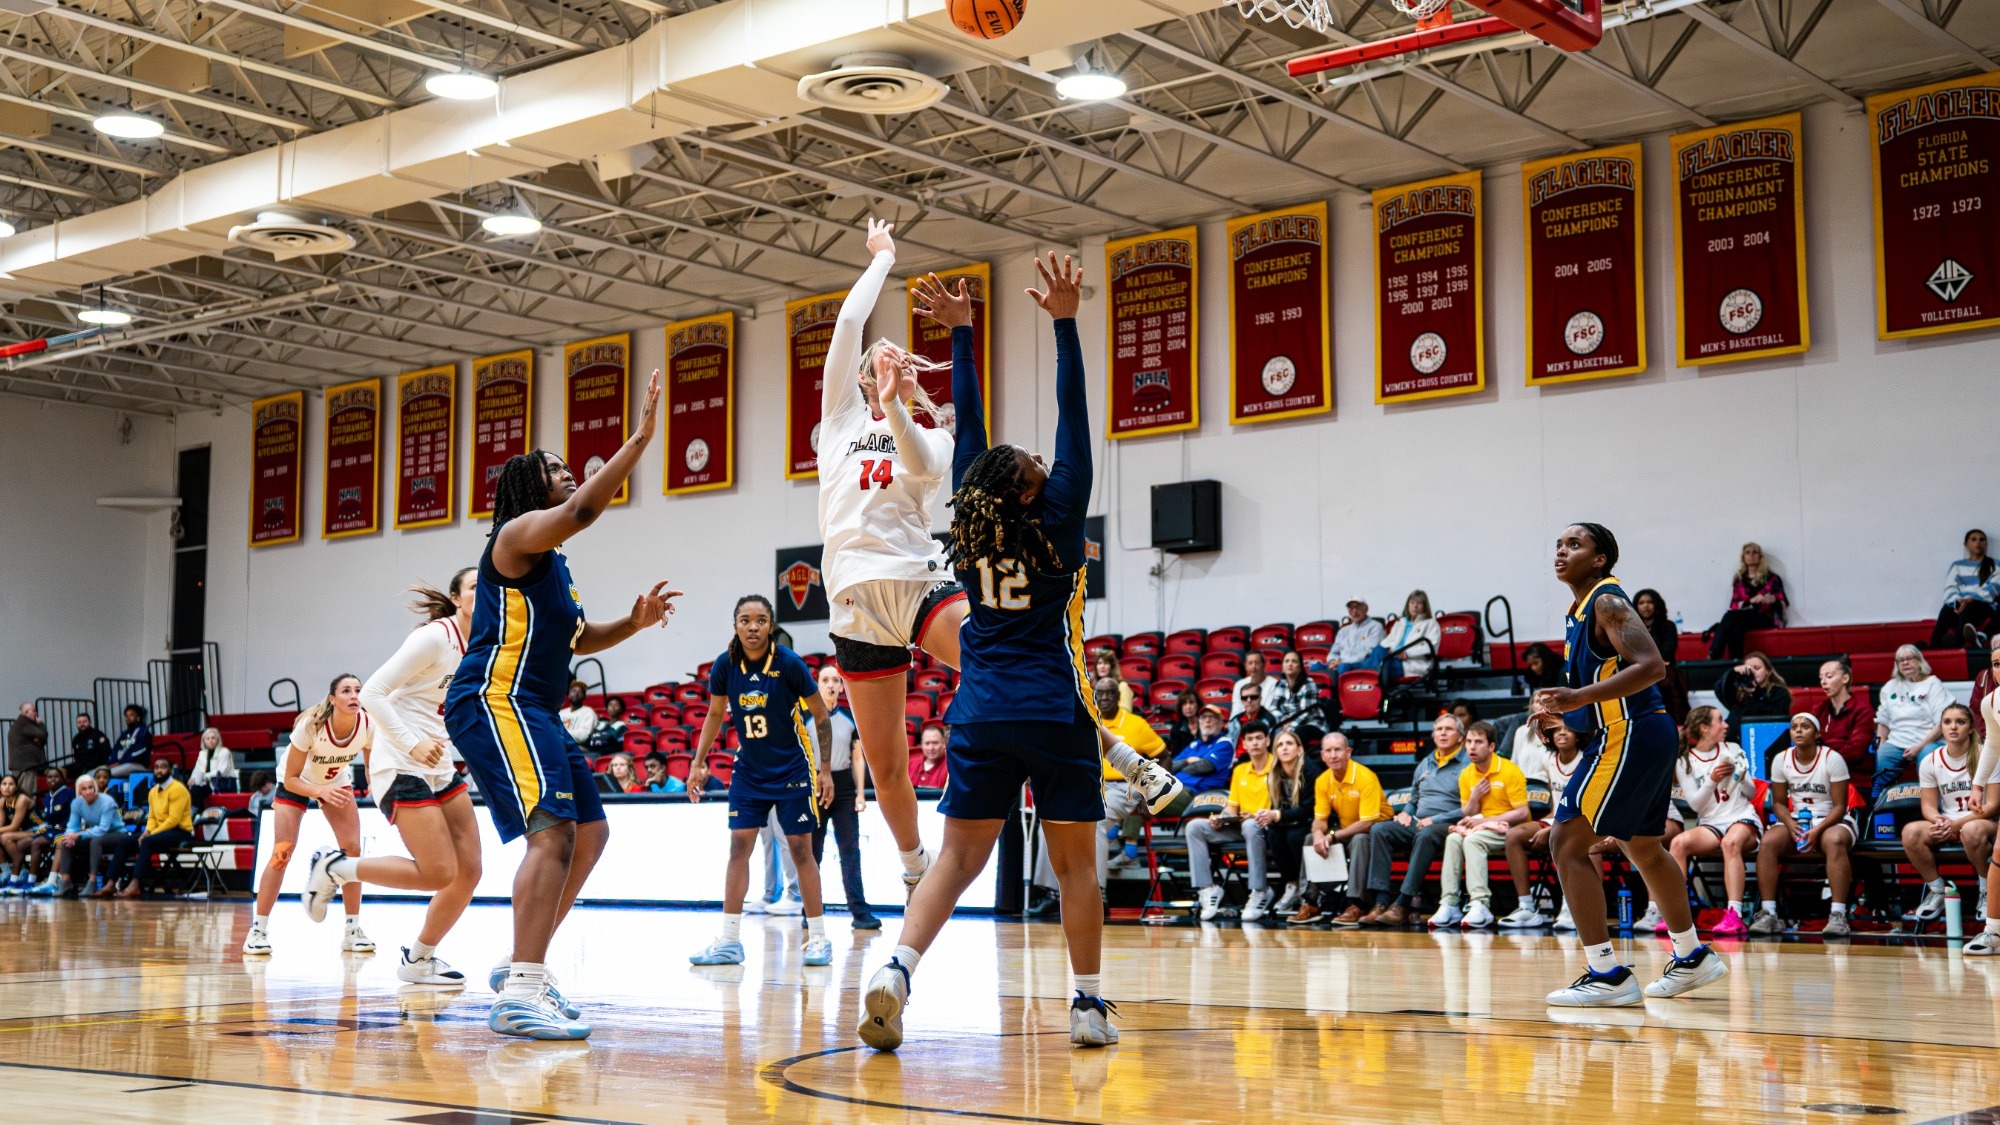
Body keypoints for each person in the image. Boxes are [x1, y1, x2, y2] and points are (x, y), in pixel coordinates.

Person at [858, 253, 1123, 1052]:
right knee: (1077, 865)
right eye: (1038, 462)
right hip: (1054, 706)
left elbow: (968, 428)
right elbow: (1073, 410)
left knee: (957, 858)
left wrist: (965, 337)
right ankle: (1084, 1005)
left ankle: (899, 968)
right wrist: (1067, 323)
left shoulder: (973, 525)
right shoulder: (1063, 512)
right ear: (1035, 488)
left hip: (980, 707)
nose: (1044, 457)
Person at [436, 368, 679, 1040]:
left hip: (534, 706)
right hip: (496, 698)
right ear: (526, 487)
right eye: (556, 467)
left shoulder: (556, 568)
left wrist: (635, 621)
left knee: (591, 833)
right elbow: (580, 512)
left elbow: (578, 637)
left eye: (571, 465)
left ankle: (526, 967)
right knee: (552, 832)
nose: (569, 471)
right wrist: (639, 438)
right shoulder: (514, 537)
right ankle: (520, 990)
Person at [813, 219, 968, 899]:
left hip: (915, 581)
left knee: (1010, 659)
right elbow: (849, 325)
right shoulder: (839, 425)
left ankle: (1112, 752)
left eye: (899, 356)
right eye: (880, 358)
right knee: (884, 765)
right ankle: (913, 868)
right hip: (852, 602)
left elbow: (909, 452)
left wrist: (899, 403)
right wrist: (883, 260)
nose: (885, 358)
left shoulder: (933, 436)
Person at [1534, 522, 1728, 1006]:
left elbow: (1652, 666)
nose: (1561, 551)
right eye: (1558, 544)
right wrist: (1565, 713)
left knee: (1565, 841)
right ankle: (1692, 957)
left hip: (1632, 733)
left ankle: (1607, 973)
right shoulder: (1579, 610)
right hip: (1639, 732)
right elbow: (1605, 684)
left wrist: (1577, 696)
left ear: (1600, 559)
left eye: (1575, 544)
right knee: (1642, 846)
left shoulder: (1608, 601)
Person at [314, 568, 486, 989]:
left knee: (471, 870)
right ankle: (337, 867)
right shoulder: (435, 637)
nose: (485, 594)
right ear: (457, 598)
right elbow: (371, 692)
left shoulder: (485, 643)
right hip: (399, 760)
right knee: (438, 873)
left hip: (438, 762)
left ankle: (419, 958)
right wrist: (411, 743)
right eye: (475, 587)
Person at [688, 594, 839, 968]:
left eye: (760, 620)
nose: (752, 626)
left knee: (801, 850)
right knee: (738, 848)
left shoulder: (788, 663)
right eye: (745, 620)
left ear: (770, 626)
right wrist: (697, 763)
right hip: (749, 770)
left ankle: (818, 937)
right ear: (735, 625)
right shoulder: (725, 665)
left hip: (791, 768)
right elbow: (714, 714)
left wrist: (824, 770)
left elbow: (820, 715)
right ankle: (728, 940)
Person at [245, 674, 376, 957]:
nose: (354, 695)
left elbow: (370, 767)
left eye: (358, 690)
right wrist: (319, 792)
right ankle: (258, 930)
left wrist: (377, 784)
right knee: (282, 852)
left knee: (352, 851)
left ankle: (352, 930)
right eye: (346, 690)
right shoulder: (311, 726)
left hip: (335, 783)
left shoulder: (367, 723)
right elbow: (291, 779)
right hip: (296, 783)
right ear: (333, 699)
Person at [1748, 713, 1855, 936]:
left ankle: (1838, 915)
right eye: (1794, 727)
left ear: (1817, 734)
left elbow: (1840, 806)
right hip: (1797, 819)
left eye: (1805, 727)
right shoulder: (1781, 759)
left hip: (1832, 818)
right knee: (1767, 842)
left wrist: (1818, 830)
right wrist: (1789, 823)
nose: (1798, 730)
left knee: (1834, 840)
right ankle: (1769, 914)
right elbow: (1778, 803)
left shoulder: (1832, 758)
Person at [1355, 714, 1467, 925]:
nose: (1443, 733)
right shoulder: (1425, 763)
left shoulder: (1468, 763)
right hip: (1419, 821)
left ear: (1461, 737)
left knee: (1426, 833)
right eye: (1439, 729)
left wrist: (1434, 820)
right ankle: (1380, 901)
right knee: (1380, 830)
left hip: (1449, 824)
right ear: (1433, 735)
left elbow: (1468, 808)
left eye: (1449, 729)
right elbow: (1414, 799)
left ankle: (1403, 903)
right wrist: (1406, 812)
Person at [1664, 706, 1759, 936]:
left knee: (1730, 843)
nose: (1726, 725)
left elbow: (1752, 791)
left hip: (1741, 817)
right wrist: (1712, 779)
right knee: (1678, 844)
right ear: (1705, 728)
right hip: (1711, 823)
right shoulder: (1685, 761)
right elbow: (1696, 805)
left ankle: (1734, 914)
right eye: (1720, 721)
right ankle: (1678, 915)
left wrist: (1740, 775)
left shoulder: (1733, 748)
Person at [1429, 721, 1529, 929]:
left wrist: (1483, 822)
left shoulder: (1510, 771)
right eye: (1469, 742)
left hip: (1510, 829)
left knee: (1473, 840)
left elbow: (1522, 813)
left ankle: (1480, 904)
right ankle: (1449, 903)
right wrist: (1474, 798)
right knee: (1454, 838)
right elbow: (1469, 812)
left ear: (1491, 746)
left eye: (1479, 742)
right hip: (1482, 827)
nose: (1472, 747)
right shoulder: (1466, 774)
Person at [1289, 732, 1389, 925]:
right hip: (1347, 830)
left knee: (1359, 838)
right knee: (1311, 838)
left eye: (1338, 750)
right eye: (1328, 751)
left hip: (1376, 832)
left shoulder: (1365, 777)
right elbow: (1320, 820)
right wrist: (1319, 834)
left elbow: (1366, 823)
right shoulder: (1323, 780)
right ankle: (1311, 902)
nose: (1333, 755)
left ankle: (1358, 903)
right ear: (1322, 755)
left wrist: (1332, 836)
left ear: (1348, 752)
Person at [1904, 704, 1993, 923]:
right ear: (1941, 727)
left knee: (1971, 830)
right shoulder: (1930, 761)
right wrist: (1939, 821)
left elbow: (1993, 805)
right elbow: (1928, 806)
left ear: (1971, 727)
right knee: (1911, 832)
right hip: (1951, 822)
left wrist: (1958, 824)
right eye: (1947, 722)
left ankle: (1987, 891)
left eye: (1960, 722)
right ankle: (1937, 891)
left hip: (1985, 822)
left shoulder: (1987, 755)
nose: (1953, 727)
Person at [1185, 722, 1277, 921]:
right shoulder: (1240, 770)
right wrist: (1221, 818)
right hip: (1240, 826)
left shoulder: (1277, 768)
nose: (1255, 743)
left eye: (1259, 738)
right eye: (1250, 739)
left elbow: (1281, 807)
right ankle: (1207, 889)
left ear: (1268, 741)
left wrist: (1255, 816)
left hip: (1268, 828)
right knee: (1195, 827)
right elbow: (1232, 806)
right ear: (1244, 743)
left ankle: (1260, 890)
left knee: (1250, 825)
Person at [807, 664, 876, 929]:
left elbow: (858, 757)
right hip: (815, 787)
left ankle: (860, 913)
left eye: (835, 680)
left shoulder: (849, 719)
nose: (830, 685)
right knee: (813, 853)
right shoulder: (806, 717)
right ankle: (810, 911)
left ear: (841, 685)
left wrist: (860, 793)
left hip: (844, 787)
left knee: (850, 851)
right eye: (825, 680)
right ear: (818, 684)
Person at [1497, 725, 1583, 930]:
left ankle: (1571, 907)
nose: (1562, 733)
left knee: (1563, 839)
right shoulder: (1547, 760)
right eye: (1557, 730)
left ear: (1578, 736)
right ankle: (1526, 907)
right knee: (1514, 836)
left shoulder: (1586, 761)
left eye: (1569, 729)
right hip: (1557, 818)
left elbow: (1583, 807)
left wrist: (1551, 829)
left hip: (1582, 820)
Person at [1096, 675, 1168, 880]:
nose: (1105, 698)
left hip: (1125, 787)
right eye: (1100, 694)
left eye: (1110, 693)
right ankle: (1053, 892)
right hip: (1094, 786)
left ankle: (1098, 893)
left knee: (1096, 822)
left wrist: (1152, 794)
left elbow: (1164, 758)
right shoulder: (1090, 721)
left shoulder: (1135, 724)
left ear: (1119, 697)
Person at [1872, 645, 1956, 802]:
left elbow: (1941, 723)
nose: (1905, 663)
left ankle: (1933, 803)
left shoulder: (1933, 683)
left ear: (1919, 661)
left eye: (1909, 658)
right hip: (1897, 741)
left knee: (1927, 760)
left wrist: (1919, 747)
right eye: (1900, 660)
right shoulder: (1890, 687)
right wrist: (1881, 744)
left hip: (1929, 740)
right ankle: (1882, 804)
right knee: (1882, 757)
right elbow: (1883, 720)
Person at [107, 756, 193, 897]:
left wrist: (150, 834)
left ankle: (135, 884)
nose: (159, 770)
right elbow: (152, 817)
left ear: (170, 770)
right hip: (159, 832)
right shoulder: (153, 791)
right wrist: (146, 831)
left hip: (180, 831)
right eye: (156, 767)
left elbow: (173, 820)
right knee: (124, 842)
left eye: (163, 767)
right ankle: (110, 883)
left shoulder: (178, 789)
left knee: (147, 841)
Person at [32, 773, 122, 897]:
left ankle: (92, 882)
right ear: (79, 791)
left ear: (95, 787)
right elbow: (72, 826)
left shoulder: (107, 801)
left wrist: (79, 835)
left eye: (91, 787)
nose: (88, 791)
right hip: (94, 835)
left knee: (96, 842)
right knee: (65, 842)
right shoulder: (77, 803)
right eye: (84, 789)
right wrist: (70, 836)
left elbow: (103, 828)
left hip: (117, 833)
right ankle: (65, 882)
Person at [1263, 728, 1317, 917]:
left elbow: (1308, 808)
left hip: (1310, 821)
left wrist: (1278, 815)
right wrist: (1268, 816)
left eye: (1289, 743)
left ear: (1299, 750)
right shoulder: (1274, 773)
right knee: (1273, 834)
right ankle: (1291, 884)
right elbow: (1276, 806)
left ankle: (1306, 890)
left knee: (1295, 836)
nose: (1284, 748)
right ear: (1275, 751)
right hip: (1286, 821)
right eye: (1280, 744)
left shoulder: (1310, 771)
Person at [1708, 541, 1788, 660]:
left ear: (1760, 557)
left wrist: (1771, 599)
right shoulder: (1739, 580)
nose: (1751, 555)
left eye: (1755, 552)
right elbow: (1734, 604)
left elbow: (1782, 601)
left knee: (1729, 617)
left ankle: (1714, 652)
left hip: (1764, 617)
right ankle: (1736, 663)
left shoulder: (1772, 578)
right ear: (1743, 557)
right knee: (1735, 629)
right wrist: (1750, 601)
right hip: (1745, 617)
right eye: (1748, 553)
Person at [1813, 659, 1877, 781]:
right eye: (1821, 677)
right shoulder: (1819, 709)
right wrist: (1838, 744)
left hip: (1853, 777)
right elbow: (1810, 744)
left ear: (1845, 678)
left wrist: (1824, 749)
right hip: (1821, 776)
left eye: (1829, 676)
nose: (1823, 682)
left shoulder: (1863, 710)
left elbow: (1855, 752)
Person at [1932, 528, 1996, 649]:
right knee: (1946, 610)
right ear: (1966, 544)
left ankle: (1955, 645)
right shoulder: (1957, 566)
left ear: (1986, 544)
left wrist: (1971, 599)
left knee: (1969, 609)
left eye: (1982, 540)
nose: (1978, 543)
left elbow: (1994, 587)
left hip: (1982, 605)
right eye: (1973, 539)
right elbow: (1950, 587)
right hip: (1960, 604)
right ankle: (1934, 647)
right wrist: (1958, 602)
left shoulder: (1994, 565)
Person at [1633, 588, 1688, 723]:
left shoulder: (1668, 626)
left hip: (1664, 670)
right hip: (1640, 669)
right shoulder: (1631, 628)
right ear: (1635, 606)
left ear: (1656, 605)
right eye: (1641, 603)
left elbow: (1667, 653)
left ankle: (1676, 722)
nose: (1646, 606)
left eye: (1650, 602)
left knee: (1666, 682)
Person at [1171, 705, 1235, 794]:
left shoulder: (1224, 743)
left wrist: (1180, 767)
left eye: (1212, 717)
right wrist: (1187, 761)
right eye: (1204, 717)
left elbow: (1204, 766)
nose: (1207, 720)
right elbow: (1170, 766)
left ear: (1221, 723)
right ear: (1199, 721)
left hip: (1196, 793)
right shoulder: (1195, 744)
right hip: (1175, 786)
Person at [1381, 591, 1441, 681]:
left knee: (1380, 667)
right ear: (1408, 605)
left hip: (1411, 662)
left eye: (1419, 603)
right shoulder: (1400, 623)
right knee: (1378, 651)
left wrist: (1408, 654)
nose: (1415, 606)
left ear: (1425, 606)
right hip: (1392, 657)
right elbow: (1387, 642)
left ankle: (1378, 691)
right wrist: (1390, 650)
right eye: (1412, 603)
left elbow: (1431, 647)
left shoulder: (1431, 623)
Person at [1714, 653, 1791, 722]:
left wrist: (1755, 692)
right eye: (1749, 669)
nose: (1753, 672)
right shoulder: (1739, 692)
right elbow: (1719, 689)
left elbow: (1774, 716)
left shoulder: (1779, 692)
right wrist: (1733, 672)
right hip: (1735, 735)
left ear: (1768, 671)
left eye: (1757, 668)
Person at [1331, 599, 1385, 675]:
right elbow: (1334, 652)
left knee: (1343, 667)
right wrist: (1332, 661)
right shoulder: (1343, 630)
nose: (1354, 612)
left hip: (1362, 664)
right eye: (1351, 609)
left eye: (1357, 608)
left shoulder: (1375, 627)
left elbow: (1368, 652)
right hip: (1342, 663)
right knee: (1315, 667)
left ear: (1366, 609)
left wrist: (1343, 661)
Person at [187, 727, 237, 808]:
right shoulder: (202, 753)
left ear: (218, 740)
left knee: (197, 791)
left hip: (220, 784)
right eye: (208, 738)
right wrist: (193, 778)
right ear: (204, 741)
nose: (210, 741)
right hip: (206, 784)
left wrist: (205, 776)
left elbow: (221, 772)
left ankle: (199, 812)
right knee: (192, 789)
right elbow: (197, 770)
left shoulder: (224, 752)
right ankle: (197, 813)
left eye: (213, 738)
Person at [0, 773, 33, 887]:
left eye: (11, 784)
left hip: (39, 829)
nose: (7, 787)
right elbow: (1, 824)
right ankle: (6, 871)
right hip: (22, 832)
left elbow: (13, 826)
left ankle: (22, 870)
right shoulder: (2, 802)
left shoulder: (21, 799)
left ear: (16, 787)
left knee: (4, 837)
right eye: (4, 784)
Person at [1231, 650, 1279, 717]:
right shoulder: (1239, 685)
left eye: (1257, 663)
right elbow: (1235, 712)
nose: (1254, 667)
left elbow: (1271, 711)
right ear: (1245, 666)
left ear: (1264, 665)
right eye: (1250, 663)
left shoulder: (1274, 684)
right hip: (1244, 723)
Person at [107, 705, 151, 779]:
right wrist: (111, 763)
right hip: (121, 765)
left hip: (136, 764)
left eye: (131, 715)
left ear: (138, 717)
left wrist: (119, 763)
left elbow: (140, 752)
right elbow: (116, 750)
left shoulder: (143, 732)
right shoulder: (124, 734)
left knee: (104, 775)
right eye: (126, 715)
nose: (128, 718)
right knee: (93, 773)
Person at [6, 703, 46, 775]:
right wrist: (41, 723)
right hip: (26, 767)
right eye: (33, 711)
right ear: (26, 712)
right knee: (27, 786)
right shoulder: (24, 723)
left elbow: (40, 739)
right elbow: (42, 735)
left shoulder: (20, 724)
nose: (36, 713)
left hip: (23, 766)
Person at [1164, 690, 1203, 757]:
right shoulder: (1176, 729)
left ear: (1198, 705)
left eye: (1191, 703)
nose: (1188, 707)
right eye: (1184, 704)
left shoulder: (1207, 724)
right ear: (1181, 707)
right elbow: (1177, 754)